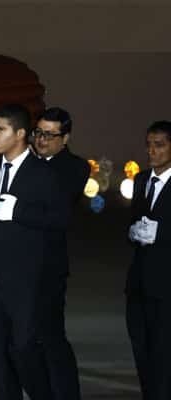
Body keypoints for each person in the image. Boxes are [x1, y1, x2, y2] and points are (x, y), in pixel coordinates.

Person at [0, 104, 68, 400]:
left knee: (24, 350)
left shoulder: (43, 174)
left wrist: (18, 211)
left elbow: (60, 220)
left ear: (20, 134)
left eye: (0, 129)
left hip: (28, 284)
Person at [32, 107, 89, 400]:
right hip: (19, 265)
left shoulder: (75, 167)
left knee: (51, 336)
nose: (41, 140)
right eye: (38, 133)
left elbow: (57, 208)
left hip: (48, 266)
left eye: (49, 135)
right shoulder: (27, 162)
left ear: (65, 138)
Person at [126, 120, 171, 400]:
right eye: (149, 145)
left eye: (159, 145)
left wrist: (160, 234)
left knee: (163, 355)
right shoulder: (142, 180)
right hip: (139, 283)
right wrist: (133, 232)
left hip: (166, 286)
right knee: (142, 351)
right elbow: (134, 218)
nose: (151, 151)